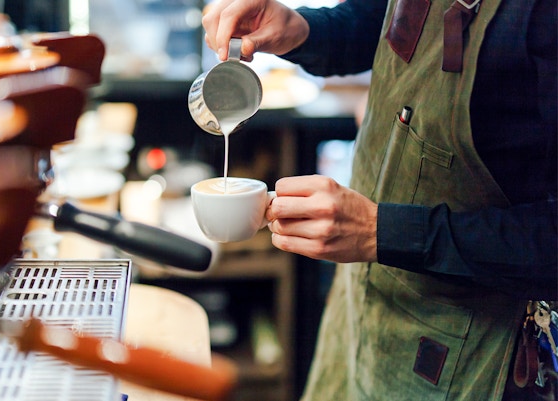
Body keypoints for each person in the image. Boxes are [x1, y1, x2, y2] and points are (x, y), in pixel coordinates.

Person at [203, 0, 556, 400]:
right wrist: (305, 29)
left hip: (472, 347)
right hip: (364, 300)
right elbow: (382, 18)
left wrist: (382, 231)